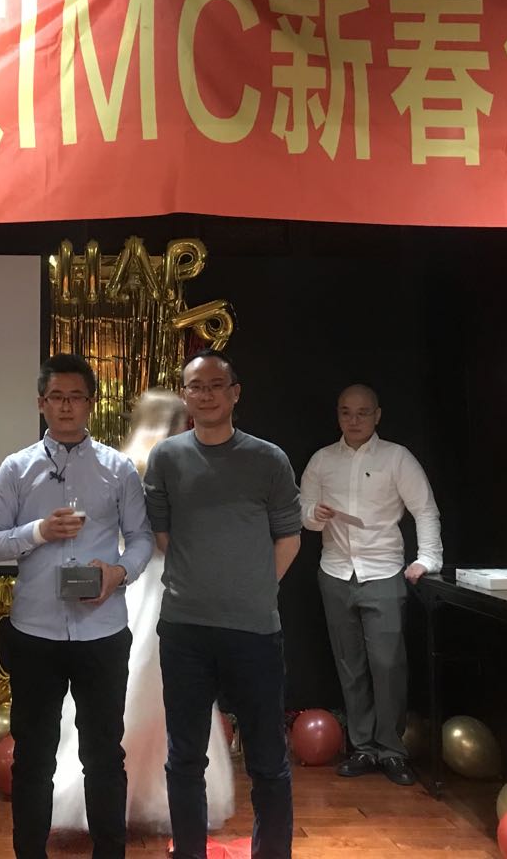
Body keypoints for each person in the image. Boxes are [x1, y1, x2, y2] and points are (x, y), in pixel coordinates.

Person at [0, 352, 154, 859]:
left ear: (91, 404)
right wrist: (39, 531)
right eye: (56, 396)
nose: (65, 406)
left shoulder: (118, 469)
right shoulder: (16, 468)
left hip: (102, 630)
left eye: (76, 397)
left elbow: (141, 538)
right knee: (34, 759)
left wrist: (119, 572)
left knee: (104, 756)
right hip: (36, 633)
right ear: (41, 403)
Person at [51, 389, 234, 833]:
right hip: (154, 585)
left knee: (132, 691)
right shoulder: (166, 466)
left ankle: (113, 797)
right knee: (151, 692)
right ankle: (144, 795)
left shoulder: (116, 464)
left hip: (128, 585)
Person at [145, 349, 301, 859]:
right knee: (185, 758)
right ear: (184, 395)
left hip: (254, 629)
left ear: (235, 393)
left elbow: (289, 537)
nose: (206, 394)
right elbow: (162, 534)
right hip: (185, 629)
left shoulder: (268, 459)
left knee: (267, 760)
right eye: (196, 386)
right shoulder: (167, 458)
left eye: (216, 385)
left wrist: (257, 587)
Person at [299, 383, 441, 787]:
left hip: (383, 571)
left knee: (388, 664)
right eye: (346, 412)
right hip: (335, 571)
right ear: (338, 415)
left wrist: (427, 559)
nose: (354, 420)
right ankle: (362, 747)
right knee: (350, 665)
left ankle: (392, 750)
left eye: (363, 412)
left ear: (377, 415)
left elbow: (424, 510)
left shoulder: (397, 457)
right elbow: (301, 511)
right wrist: (314, 514)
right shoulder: (322, 460)